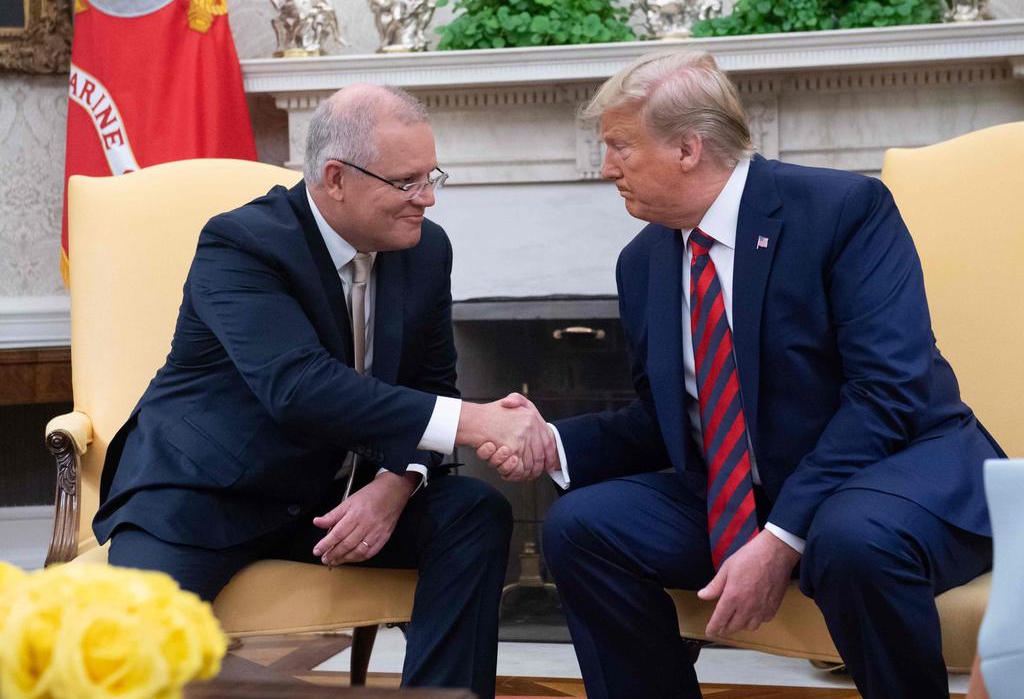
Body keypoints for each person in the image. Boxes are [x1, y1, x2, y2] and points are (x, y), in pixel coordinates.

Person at [538, 51, 1004, 699]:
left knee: (849, 537)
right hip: (758, 489)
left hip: (905, 469)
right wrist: (551, 443)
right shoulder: (642, 262)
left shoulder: (843, 210)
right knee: (583, 526)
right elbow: (672, 418)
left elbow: (885, 395)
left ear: (687, 149)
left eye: (619, 145)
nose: (606, 167)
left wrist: (783, 536)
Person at [93, 84, 555, 699]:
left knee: (473, 514)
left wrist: (395, 487)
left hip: (334, 504)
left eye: (431, 175)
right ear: (336, 178)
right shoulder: (241, 244)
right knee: (133, 663)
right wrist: (479, 422)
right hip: (203, 494)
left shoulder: (423, 251)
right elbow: (299, 386)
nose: (428, 198)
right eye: (407, 182)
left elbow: (431, 389)